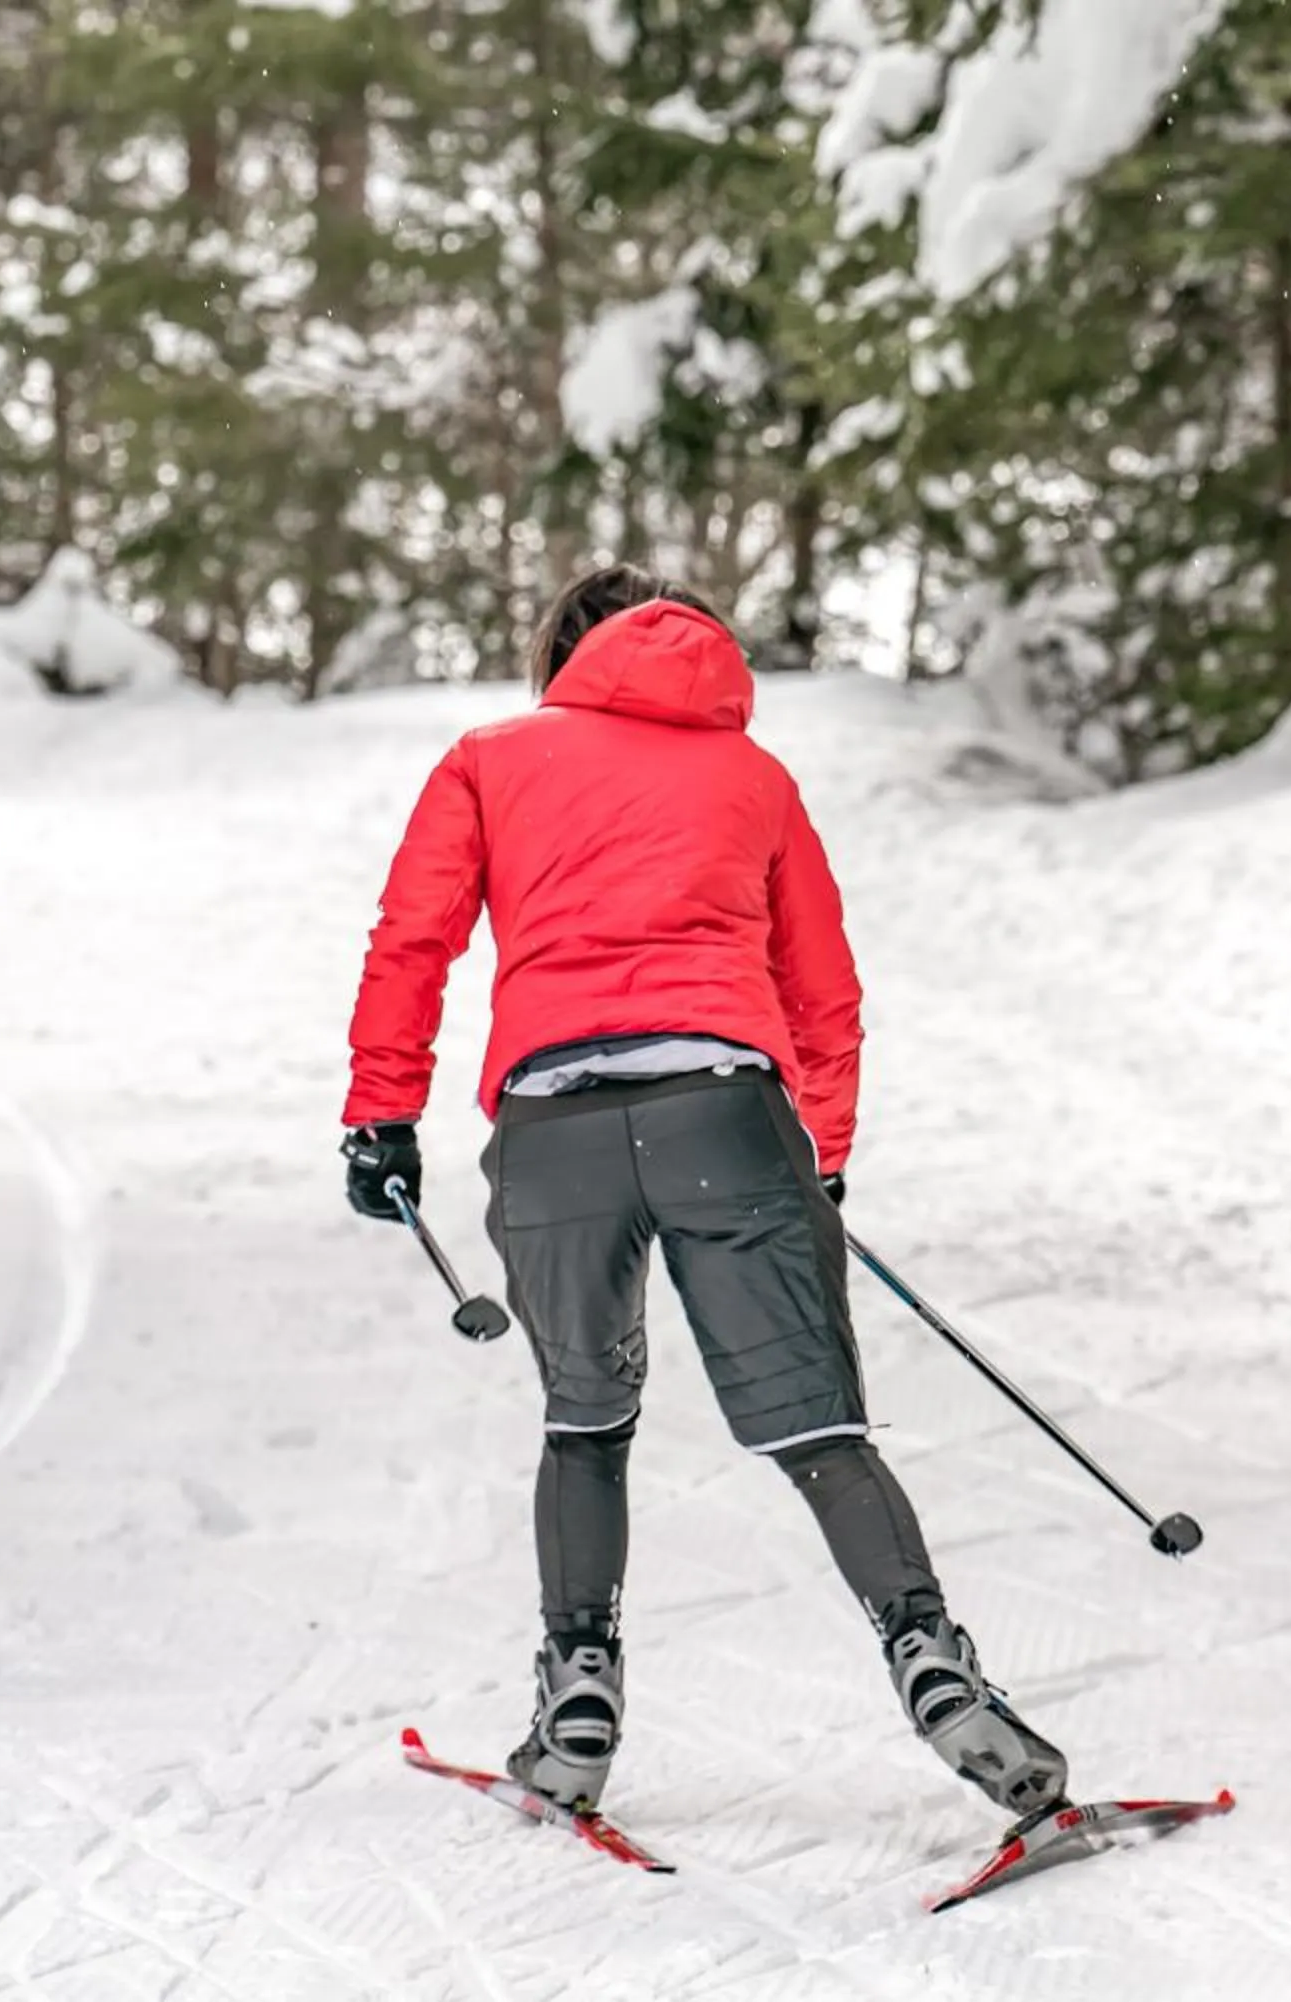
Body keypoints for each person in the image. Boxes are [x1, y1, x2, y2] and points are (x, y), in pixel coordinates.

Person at [337, 563, 1066, 1822]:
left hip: (553, 1124)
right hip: (726, 1113)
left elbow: (415, 936)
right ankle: (934, 1662)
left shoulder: (490, 759)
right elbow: (822, 987)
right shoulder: (756, 778)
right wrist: (819, 1154)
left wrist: (380, 1113)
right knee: (817, 1427)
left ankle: (578, 1689)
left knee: (585, 1416)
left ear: (560, 654)